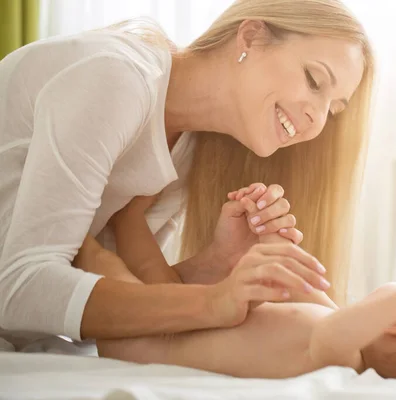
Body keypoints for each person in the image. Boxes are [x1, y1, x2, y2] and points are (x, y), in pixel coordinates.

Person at [0, 0, 373, 352]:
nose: (319, 120)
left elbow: (123, 292)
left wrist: (217, 265)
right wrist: (212, 302)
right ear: (251, 37)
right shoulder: (116, 79)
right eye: (313, 80)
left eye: (334, 111)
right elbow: (18, 288)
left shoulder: (191, 144)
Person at [74, 191, 396, 379]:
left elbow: (340, 328)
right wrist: (268, 234)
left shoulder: (339, 358)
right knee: (146, 268)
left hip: (143, 345)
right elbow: (292, 282)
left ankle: (71, 232)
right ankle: (126, 217)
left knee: (101, 263)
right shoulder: (328, 322)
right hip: (176, 319)